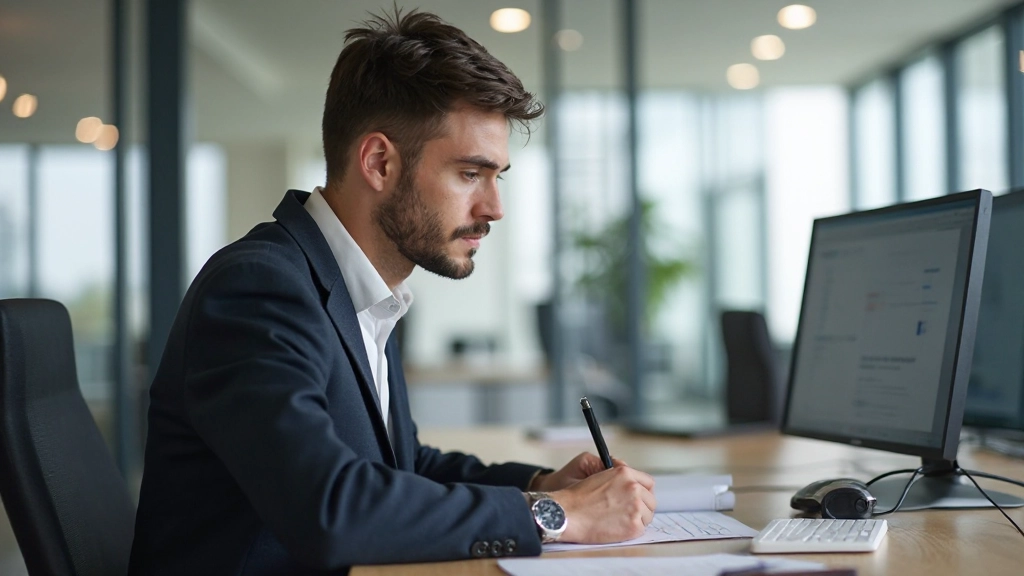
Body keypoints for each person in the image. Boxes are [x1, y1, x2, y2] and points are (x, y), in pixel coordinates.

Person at [128, 8, 656, 575]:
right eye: (470, 174)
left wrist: (541, 484)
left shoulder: (364, 294)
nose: (494, 208)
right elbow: (331, 508)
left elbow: (401, 466)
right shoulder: (260, 289)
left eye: (496, 177)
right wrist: (556, 515)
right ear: (379, 163)